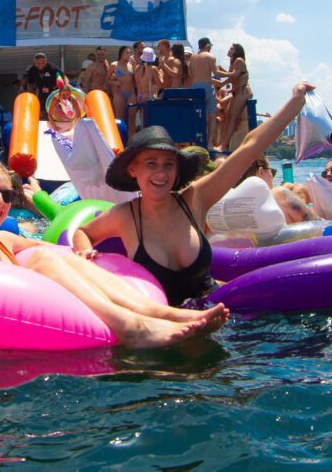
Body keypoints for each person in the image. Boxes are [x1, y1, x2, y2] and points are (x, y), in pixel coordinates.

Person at [0, 110, 228, 349]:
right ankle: (129, 325)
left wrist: (82, 251)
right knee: (43, 259)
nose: (0, 201)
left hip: (35, 315)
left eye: (8, 195)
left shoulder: (5, 241)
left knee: (61, 256)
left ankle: (161, 313)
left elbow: (60, 252)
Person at [73, 82, 317, 306]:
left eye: (168, 164)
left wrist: (295, 101)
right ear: (133, 169)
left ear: (177, 170)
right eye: (151, 163)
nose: (161, 173)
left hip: (219, 314)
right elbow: (83, 232)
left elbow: (249, 148)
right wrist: (85, 254)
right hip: (167, 326)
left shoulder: (194, 200)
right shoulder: (125, 216)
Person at [236, 156, 318, 224]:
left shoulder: (233, 203)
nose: (273, 177)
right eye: (272, 171)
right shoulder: (279, 194)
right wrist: (294, 198)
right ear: (261, 172)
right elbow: (318, 226)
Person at [214, 44, 252, 152]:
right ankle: (222, 144)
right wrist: (221, 82)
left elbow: (234, 76)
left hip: (242, 92)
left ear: (237, 51)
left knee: (232, 119)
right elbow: (232, 78)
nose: (229, 50)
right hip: (236, 92)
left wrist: (219, 76)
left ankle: (223, 145)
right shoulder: (233, 62)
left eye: (231, 48)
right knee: (227, 117)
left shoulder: (239, 60)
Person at [189, 37, 222, 150]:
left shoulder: (192, 58)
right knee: (212, 115)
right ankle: (209, 143)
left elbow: (192, 74)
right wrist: (232, 74)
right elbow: (216, 72)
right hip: (207, 87)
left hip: (195, 87)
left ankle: (196, 143)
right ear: (207, 46)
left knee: (197, 115)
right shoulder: (210, 56)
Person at [26, 52, 65, 119]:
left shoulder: (52, 67)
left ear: (46, 60)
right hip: (41, 93)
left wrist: (66, 87)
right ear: (34, 62)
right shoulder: (32, 70)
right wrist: (31, 97)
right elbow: (30, 84)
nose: (41, 65)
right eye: (38, 63)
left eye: (43, 63)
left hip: (53, 92)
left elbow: (63, 77)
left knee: (54, 111)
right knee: (41, 112)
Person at [108, 46, 135, 130]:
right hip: (119, 93)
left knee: (131, 119)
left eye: (129, 53)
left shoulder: (131, 65)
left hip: (131, 92)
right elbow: (107, 80)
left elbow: (135, 79)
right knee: (120, 119)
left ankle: (131, 140)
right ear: (121, 53)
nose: (129, 54)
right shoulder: (114, 65)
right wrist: (115, 82)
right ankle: (120, 139)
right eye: (127, 52)